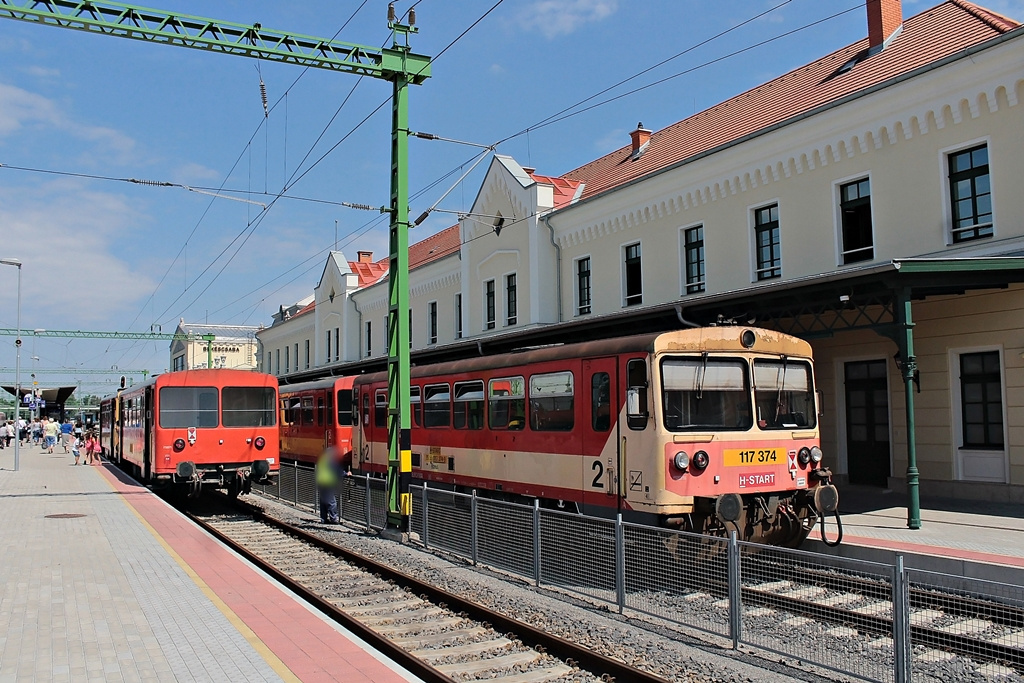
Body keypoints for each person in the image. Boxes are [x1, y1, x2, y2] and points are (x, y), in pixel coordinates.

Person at [316, 446, 348, 524]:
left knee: (323, 502)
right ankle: (334, 519)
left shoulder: (322, 460)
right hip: (327, 483)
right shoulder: (330, 461)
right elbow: (336, 470)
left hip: (321, 483)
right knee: (332, 502)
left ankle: (323, 519)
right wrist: (346, 474)